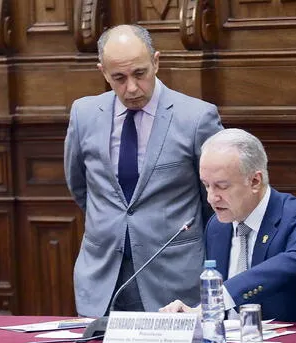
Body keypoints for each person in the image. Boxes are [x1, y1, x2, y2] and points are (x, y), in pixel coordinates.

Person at [64, 24, 223, 317]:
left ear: (156, 62)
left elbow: (214, 201)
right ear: (103, 72)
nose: (132, 88)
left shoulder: (197, 117)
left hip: (173, 277)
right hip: (102, 278)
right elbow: (80, 186)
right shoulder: (83, 114)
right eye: (119, 78)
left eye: (140, 73)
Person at [160, 128, 296, 323]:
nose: (211, 197)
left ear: (254, 181)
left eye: (222, 186)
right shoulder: (217, 227)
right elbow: (219, 312)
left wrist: (222, 296)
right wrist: (194, 314)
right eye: (206, 185)